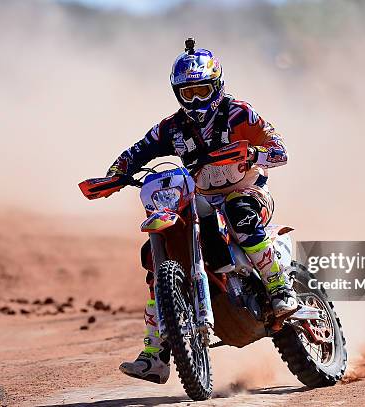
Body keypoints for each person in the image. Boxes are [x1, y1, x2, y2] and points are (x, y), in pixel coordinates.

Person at [108, 39, 297, 384]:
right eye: (187, 92)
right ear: (177, 93)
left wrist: (253, 155)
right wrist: (115, 174)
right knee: (156, 255)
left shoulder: (240, 113)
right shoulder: (172, 128)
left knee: (240, 212)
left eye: (202, 90)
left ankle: (279, 285)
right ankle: (156, 354)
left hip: (248, 191)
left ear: (217, 85)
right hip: (202, 200)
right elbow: (137, 150)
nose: (195, 100)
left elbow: (280, 151)